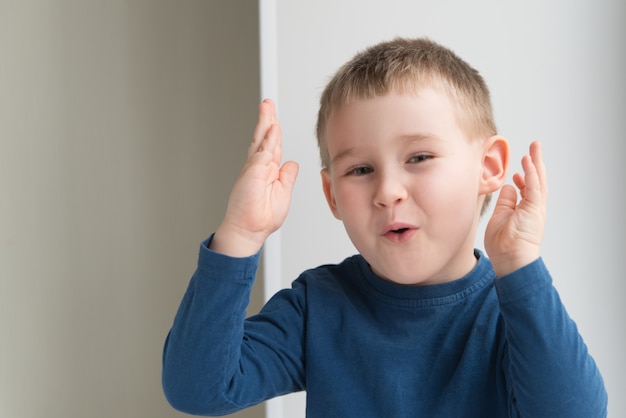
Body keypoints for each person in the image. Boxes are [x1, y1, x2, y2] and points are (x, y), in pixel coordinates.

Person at [162, 37, 607, 417]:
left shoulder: (512, 312)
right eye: (359, 169)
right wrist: (240, 235)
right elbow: (197, 387)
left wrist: (520, 264)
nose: (387, 191)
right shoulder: (317, 306)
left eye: (418, 158)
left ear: (488, 167)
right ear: (332, 194)